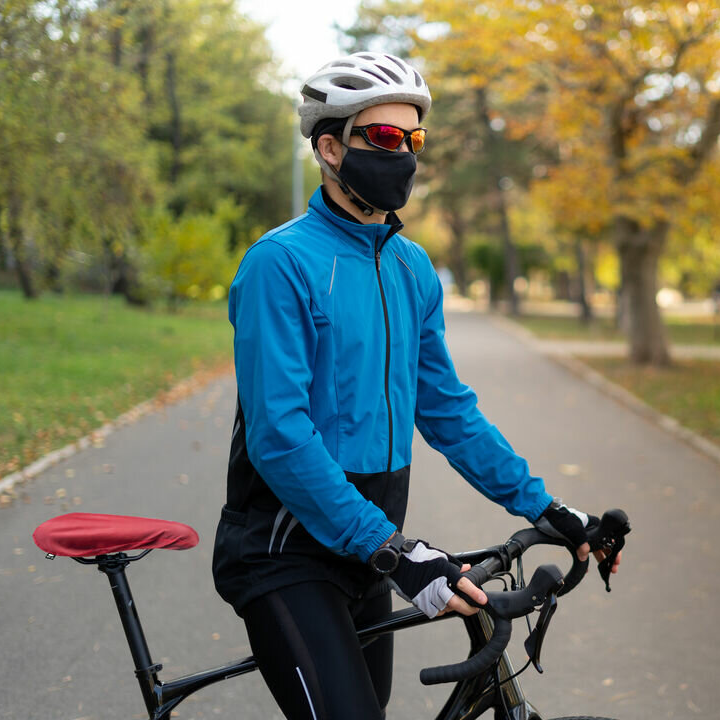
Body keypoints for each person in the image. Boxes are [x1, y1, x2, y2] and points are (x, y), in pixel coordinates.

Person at [211, 52, 620, 720]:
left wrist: (545, 507)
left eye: (413, 139)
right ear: (329, 147)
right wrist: (393, 550)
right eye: (383, 138)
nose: (403, 153)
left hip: (365, 554)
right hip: (282, 555)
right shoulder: (279, 265)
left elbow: (447, 410)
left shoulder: (411, 267)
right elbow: (280, 437)